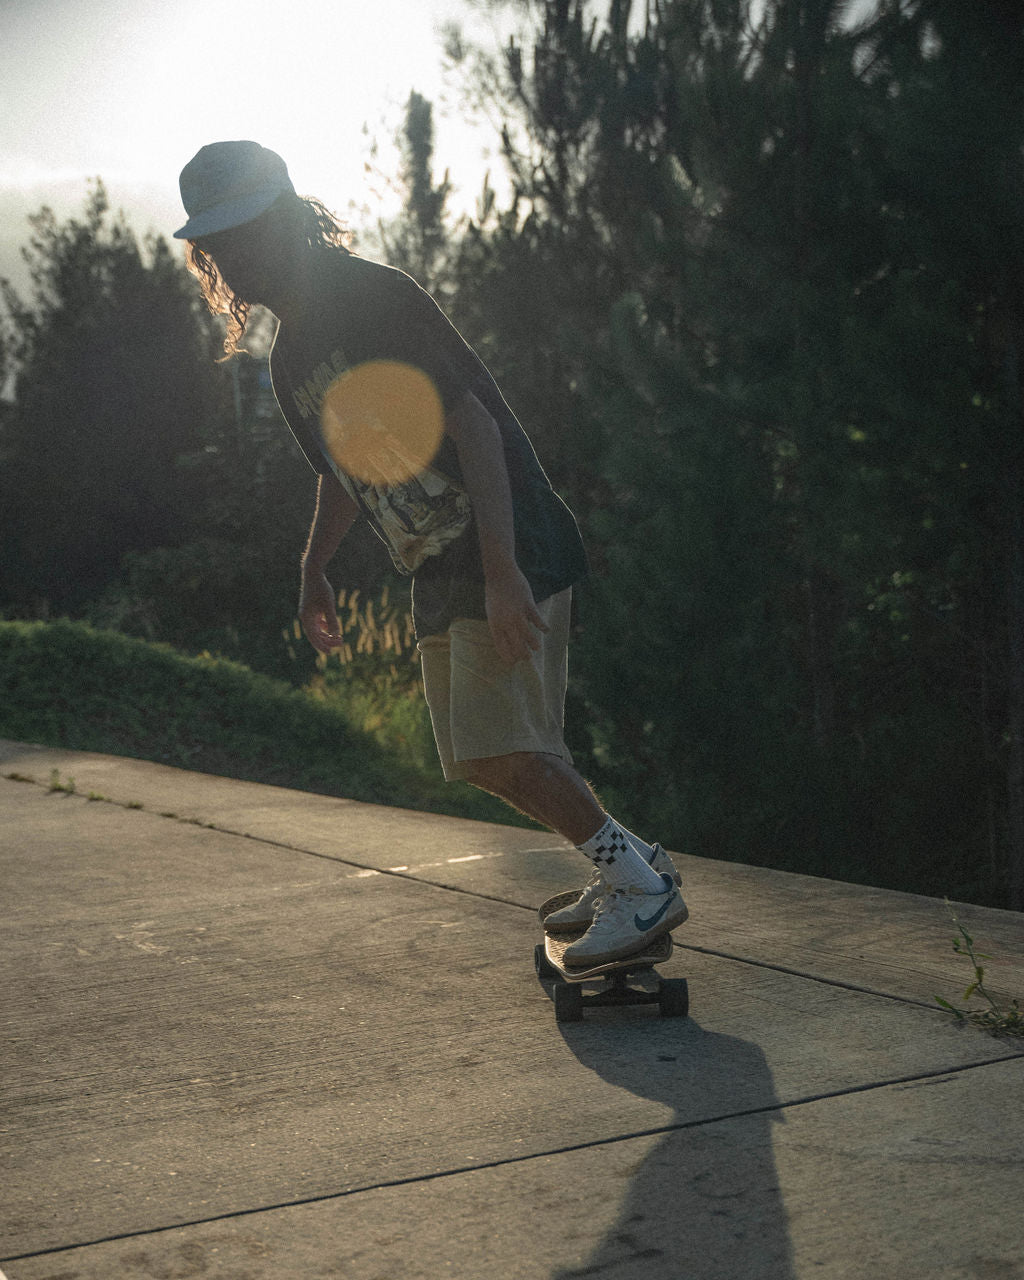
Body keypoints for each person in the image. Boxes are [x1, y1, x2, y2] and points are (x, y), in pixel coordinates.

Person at [174, 140, 687, 964]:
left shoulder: (368, 297)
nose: (234, 259)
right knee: (479, 754)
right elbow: (341, 474)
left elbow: (475, 426)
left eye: (247, 234)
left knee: (508, 744)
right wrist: (315, 567)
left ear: (288, 218)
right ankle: (629, 862)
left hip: (505, 540)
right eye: (217, 245)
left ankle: (640, 887)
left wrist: (503, 571)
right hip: (436, 562)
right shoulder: (290, 354)